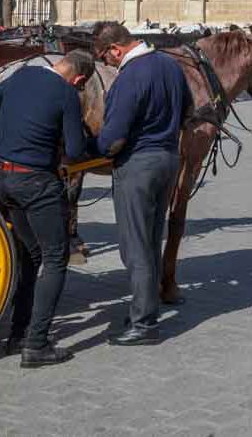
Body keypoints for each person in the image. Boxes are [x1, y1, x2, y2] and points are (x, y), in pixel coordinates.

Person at [0, 51, 92, 367]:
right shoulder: (66, 94)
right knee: (55, 258)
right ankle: (36, 344)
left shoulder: (20, 75)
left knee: (30, 254)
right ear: (78, 79)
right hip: (37, 182)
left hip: (6, 178)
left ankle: (18, 333)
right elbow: (75, 152)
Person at [94, 22, 192, 343]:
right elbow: (189, 109)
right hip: (168, 158)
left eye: (106, 58)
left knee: (134, 245)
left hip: (138, 164)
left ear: (115, 49)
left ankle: (145, 324)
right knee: (151, 240)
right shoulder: (170, 64)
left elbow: (115, 134)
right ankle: (145, 305)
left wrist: (95, 149)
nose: (108, 64)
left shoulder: (130, 76)